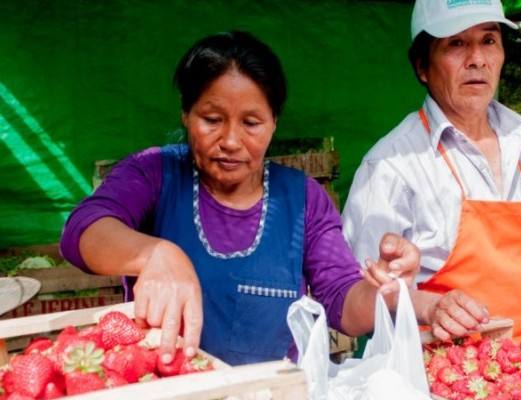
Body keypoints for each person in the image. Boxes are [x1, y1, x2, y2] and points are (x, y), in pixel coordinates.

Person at [60, 31, 421, 367]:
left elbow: (345, 304)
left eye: (251, 123)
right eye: (212, 119)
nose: (231, 140)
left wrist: (385, 292)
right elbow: (82, 231)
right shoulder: (155, 173)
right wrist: (156, 254)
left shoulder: (302, 199)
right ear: (186, 114)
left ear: (274, 122)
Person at [343, 0, 521, 342]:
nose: (477, 59)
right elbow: (361, 295)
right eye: (456, 44)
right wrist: (429, 306)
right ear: (422, 66)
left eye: (489, 41)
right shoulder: (392, 165)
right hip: (434, 377)